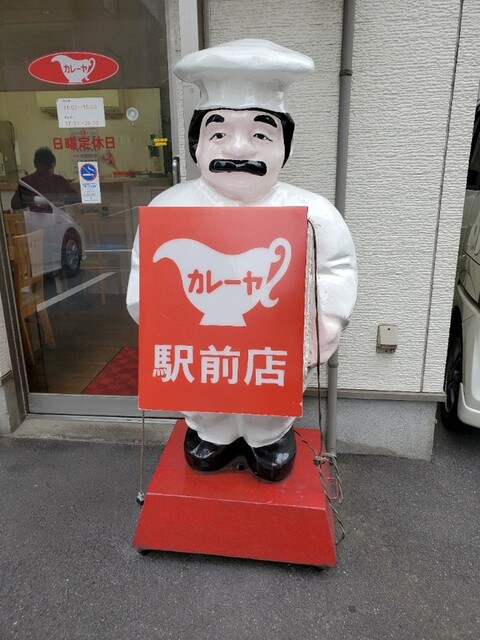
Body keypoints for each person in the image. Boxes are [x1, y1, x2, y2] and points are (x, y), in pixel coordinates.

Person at [127, 39, 357, 481]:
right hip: (201, 344)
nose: (238, 149)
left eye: (260, 135)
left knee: (268, 395)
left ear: (285, 145)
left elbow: (336, 270)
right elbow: (146, 272)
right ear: (196, 143)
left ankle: (269, 436)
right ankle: (210, 431)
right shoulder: (170, 208)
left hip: (272, 346)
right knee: (206, 393)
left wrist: (324, 325)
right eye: (219, 134)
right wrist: (160, 322)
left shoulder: (313, 213)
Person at [11, 146, 80, 211]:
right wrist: (60, 199)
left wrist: (33, 200)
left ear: (35, 164)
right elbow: (77, 199)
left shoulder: (26, 181)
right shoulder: (59, 180)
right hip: (57, 218)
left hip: (35, 219)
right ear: (53, 163)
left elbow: (14, 204)